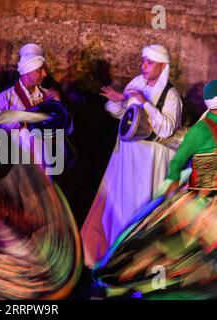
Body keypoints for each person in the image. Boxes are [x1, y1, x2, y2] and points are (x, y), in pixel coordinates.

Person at [93, 80, 217, 299]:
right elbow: (181, 153)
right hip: (203, 198)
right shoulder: (203, 127)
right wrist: (171, 181)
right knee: (179, 248)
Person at [81, 44, 183, 267]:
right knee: (121, 204)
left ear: (163, 66)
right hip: (127, 157)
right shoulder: (136, 83)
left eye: (149, 62)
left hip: (150, 159)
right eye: (143, 61)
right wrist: (118, 101)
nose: (143, 66)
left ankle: (139, 263)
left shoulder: (171, 95)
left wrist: (145, 102)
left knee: (142, 206)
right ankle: (112, 259)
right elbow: (122, 114)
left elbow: (166, 129)